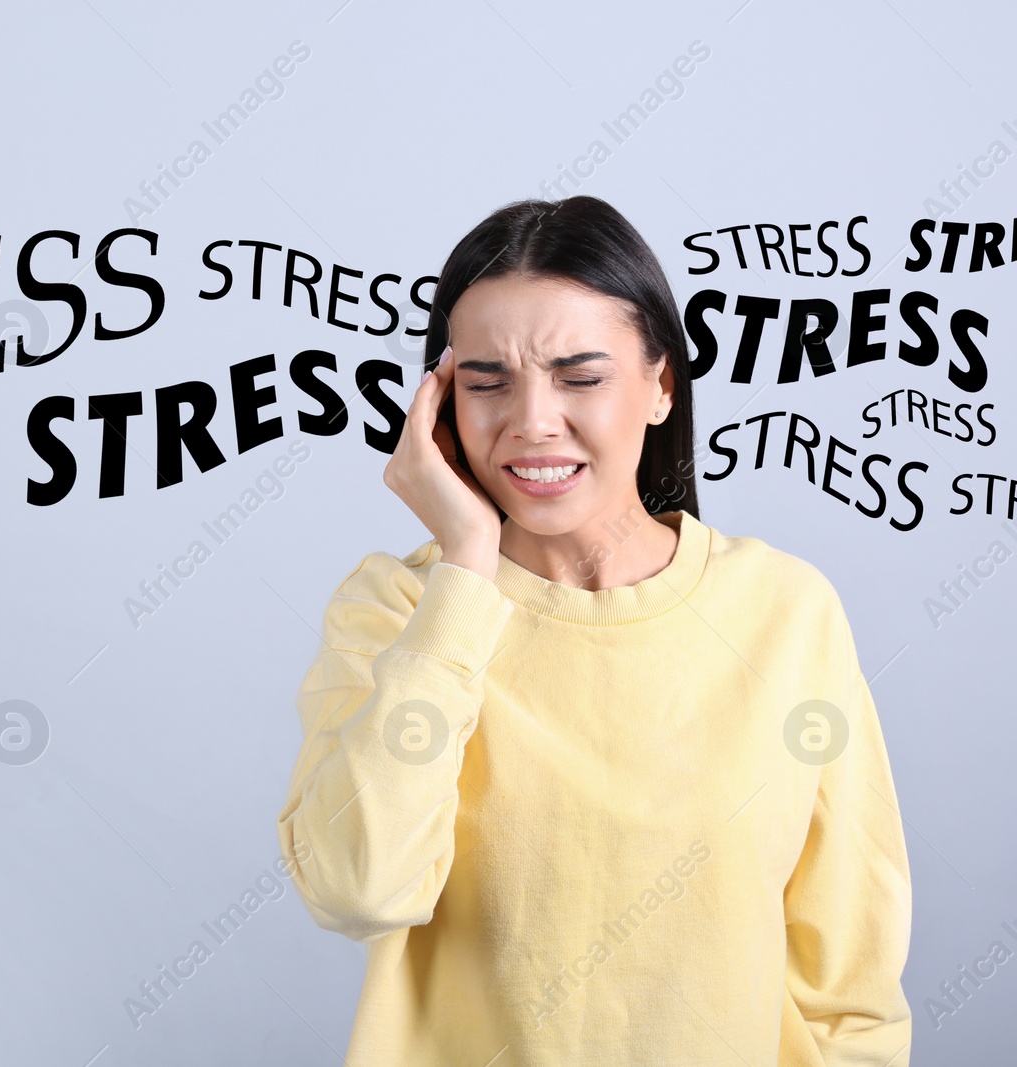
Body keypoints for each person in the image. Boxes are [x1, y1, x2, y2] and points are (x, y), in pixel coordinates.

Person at [274, 196, 912, 1065]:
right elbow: (358, 889)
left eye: (580, 377)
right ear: (438, 403)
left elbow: (850, 984)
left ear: (659, 386)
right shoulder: (397, 610)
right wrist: (465, 567)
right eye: (487, 381)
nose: (532, 421)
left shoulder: (786, 610)